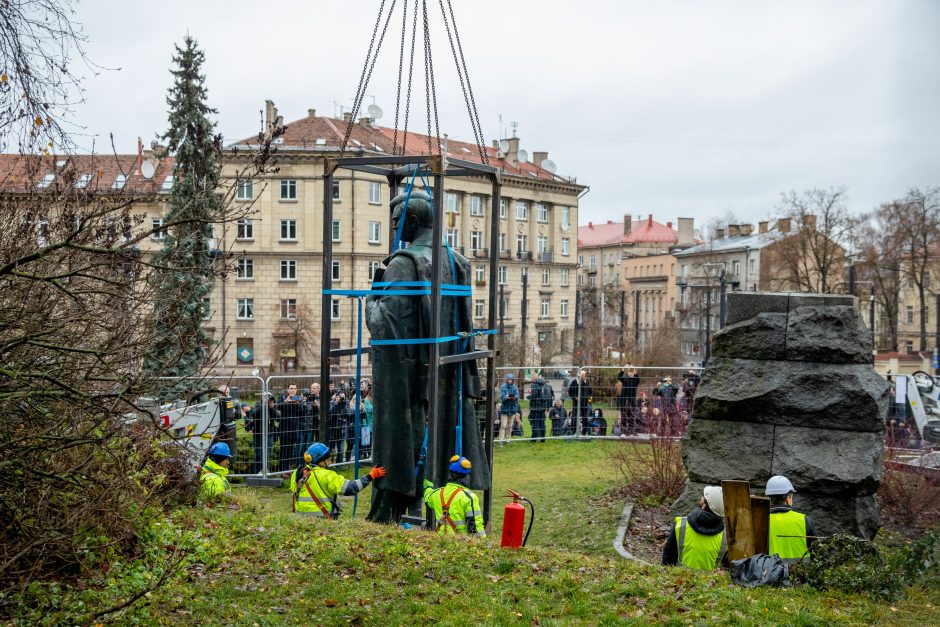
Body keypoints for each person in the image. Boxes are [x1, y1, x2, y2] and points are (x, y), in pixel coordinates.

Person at [365, 189, 490, 523]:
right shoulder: (455, 261)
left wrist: (371, 299)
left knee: (406, 441)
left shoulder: (404, 264)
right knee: (441, 438)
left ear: (413, 221)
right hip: (448, 370)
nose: (394, 230)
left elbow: (387, 327)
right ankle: (432, 504)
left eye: (396, 223)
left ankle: (400, 505)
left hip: (409, 376)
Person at [290, 442, 386, 517]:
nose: (330, 461)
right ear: (319, 461)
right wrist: (371, 476)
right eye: (328, 459)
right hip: (322, 519)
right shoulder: (327, 475)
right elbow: (351, 488)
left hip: (300, 518)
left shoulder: (297, 473)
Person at [662, 486, 727, 570]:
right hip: (708, 582)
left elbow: (668, 558)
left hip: (677, 580)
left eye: (703, 496)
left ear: (704, 504)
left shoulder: (681, 525)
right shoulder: (725, 538)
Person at [423, 455, 486, 538]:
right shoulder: (469, 497)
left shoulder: (437, 493)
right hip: (460, 544)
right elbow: (475, 527)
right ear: (466, 477)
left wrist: (428, 488)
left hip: (441, 542)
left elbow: (427, 499)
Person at [766, 475, 817, 562]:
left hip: (769, 573)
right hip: (801, 573)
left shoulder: (761, 520)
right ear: (788, 497)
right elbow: (814, 551)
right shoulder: (804, 520)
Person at [526, 372, 553, 442]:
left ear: (534, 378)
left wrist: (529, 397)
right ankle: (543, 438)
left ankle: (533, 439)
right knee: (542, 423)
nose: (531, 379)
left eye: (532, 378)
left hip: (535, 407)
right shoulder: (545, 384)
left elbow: (534, 395)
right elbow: (548, 395)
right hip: (542, 407)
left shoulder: (534, 384)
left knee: (535, 423)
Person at [567, 369, 593, 434]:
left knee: (585, 417)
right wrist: (575, 397)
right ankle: (573, 431)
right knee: (574, 417)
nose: (585, 376)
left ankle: (584, 432)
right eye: (583, 375)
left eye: (585, 375)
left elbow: (590, 391)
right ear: (580, 375)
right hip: (576, 403)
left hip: (584, 403)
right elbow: (570, 391)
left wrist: (588, 399)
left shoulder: (587, 382)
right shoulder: (574, 382)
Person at [499, 373, 521, 442]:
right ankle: (501, 440)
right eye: (508, 379)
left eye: (511, 380)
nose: (509, 381)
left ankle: (508, 439)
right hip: (504, 409)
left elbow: (517, 395)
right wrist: (506, 397)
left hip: (512, 409)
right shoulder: (503, 387)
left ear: (513, 380)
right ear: (506, 380)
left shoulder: (515, 387)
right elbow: (502, 397)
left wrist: (514, 397)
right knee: (503, 425)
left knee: (510, 426)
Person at [617, 365, 640, 429]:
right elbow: (619, 377)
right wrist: (623, 369)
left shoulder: (635, 380)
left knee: (631, 416)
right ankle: (623, 431)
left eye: (632, 372)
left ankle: (630, 431)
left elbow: (638, 380)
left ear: (633, 373)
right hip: (624, 400)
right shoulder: (624, 379)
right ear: (627, 373)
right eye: (629, 372)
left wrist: (634, 369)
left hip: (632, 401)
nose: (630, 373)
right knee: (624, 416)